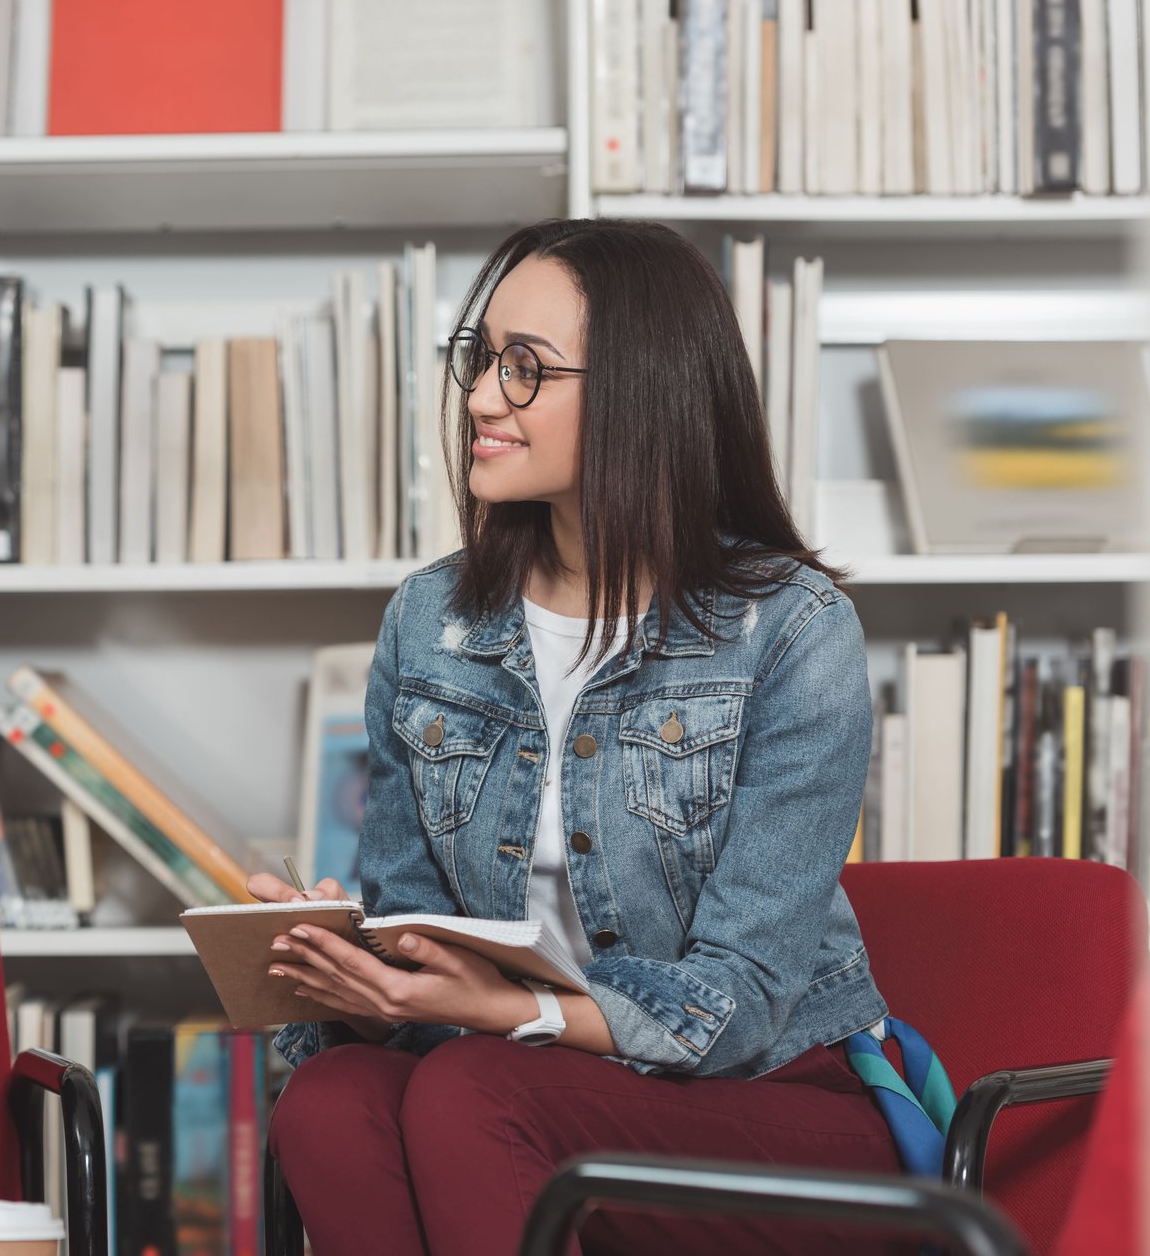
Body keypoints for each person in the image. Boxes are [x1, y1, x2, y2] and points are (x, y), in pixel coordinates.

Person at [257, 218, 907, 1256]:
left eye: (525, 369)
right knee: (331, 1096)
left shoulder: (790, 628)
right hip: (515, 1078)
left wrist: (514, 1010)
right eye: (481, 360)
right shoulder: (428, 623)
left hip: (772, 1094)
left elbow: (735, 1003)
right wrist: (360, 966)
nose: (478, 398)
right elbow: (418, 923)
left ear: (636, 392)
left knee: (475, 1085)